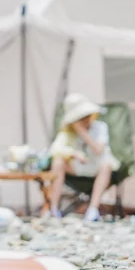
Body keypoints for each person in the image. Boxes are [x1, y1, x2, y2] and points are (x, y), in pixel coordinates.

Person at [45, 92, 120, 221]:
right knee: (58, 162)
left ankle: (92, 209)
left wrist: (83, 133)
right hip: (77, 167)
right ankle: (53, 208)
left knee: (106, 165)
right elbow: (54, 150)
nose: (85, 119)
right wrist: (73, 153)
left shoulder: (100, 127)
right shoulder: (68, 131)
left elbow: (98, 150)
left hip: (97, 165)